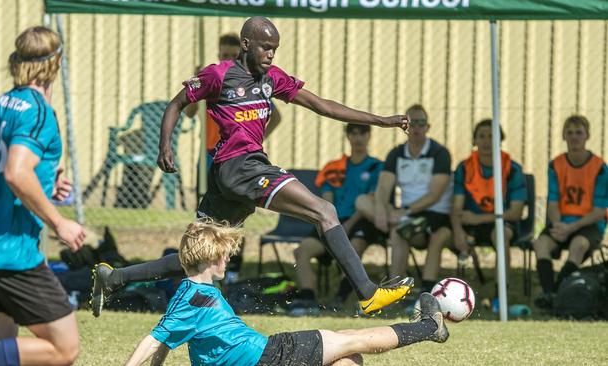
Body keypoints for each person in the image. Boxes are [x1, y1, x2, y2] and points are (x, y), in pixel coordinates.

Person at [91, 16, 413, 317]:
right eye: (265, 48)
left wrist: (382, 121)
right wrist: (165, 145)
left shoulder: (272, 79)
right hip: (241, 168)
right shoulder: (218, 75)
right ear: (246, 45)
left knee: (198, 258)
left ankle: (114, 278)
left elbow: (322, 105)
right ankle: (367, 292)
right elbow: (177, 104)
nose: (271, 55)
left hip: (231, 177)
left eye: (275, 49)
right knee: (324, 211)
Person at [124, 220, 449, 366]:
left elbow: (165, 339)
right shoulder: (193, 298)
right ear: (210, 258)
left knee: (348, 359)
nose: (227, 259)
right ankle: (429, 327)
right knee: (353, 341)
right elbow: (154, 339)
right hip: (272, 356)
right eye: (223, 254)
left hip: (268, 355)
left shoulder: (189, 291)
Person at [0, 26, 85, 366]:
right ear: (55, 63)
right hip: (12, 252)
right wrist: (60, 222)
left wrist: (46, 179)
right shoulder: (39, 112)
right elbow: (15, 173)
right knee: (65, 348)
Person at [184, 32, 282, 283]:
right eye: (223, 54)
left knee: (237, 211)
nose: (227, 58)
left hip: (236, 154)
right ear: (218, 54)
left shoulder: (250, 83)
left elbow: (276, 115)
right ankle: (204, 262)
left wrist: (255, 137)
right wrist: (196, 84)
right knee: (207, 215)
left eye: (231, 54)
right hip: (211, 152)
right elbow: (189, 112)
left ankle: (232, 264)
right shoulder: (214, 79)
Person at [356, 104, 452, 296]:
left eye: (421, 123)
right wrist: (382, 213)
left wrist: (405, 212)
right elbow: (383, 187)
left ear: (428, 127)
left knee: (399, 231)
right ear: (405, 127)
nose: (416, 127)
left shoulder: (439, 153)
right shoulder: (397, 153)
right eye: (412, 122)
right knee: (362, 201)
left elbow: (434, 195)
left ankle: (399, 290)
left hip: (432, 213)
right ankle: (396, 292)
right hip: (402, 214)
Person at [291, 123, 384, 315]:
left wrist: (347, 225)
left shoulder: (377, 167)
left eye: (362, 133)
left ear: (369, 136)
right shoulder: (334, 168)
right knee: (301, 251)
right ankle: (308, 300)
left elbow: (373, 200)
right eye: (354, 133)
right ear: (348, 136)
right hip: (333, 221)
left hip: (361, 220)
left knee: (354, 247)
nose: (358, 138)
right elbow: (325, 203)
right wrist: (334, 225)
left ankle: (339, 299)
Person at [534, 115, 608, 309]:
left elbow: (600, 211)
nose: (574, 137)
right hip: (561, 222)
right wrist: (558, 225)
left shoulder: (600, 168)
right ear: (563, 136)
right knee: (541, 244)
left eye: (579, 133)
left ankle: (557, 295)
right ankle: (549, 293)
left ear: (587, 136)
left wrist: (572, 227)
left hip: (588, 224)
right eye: (570, 132)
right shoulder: (556, 165)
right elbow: (552, 202)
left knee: (578, 244)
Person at [450, 119, 526, 306]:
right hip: (471, 224)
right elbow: (456, 207)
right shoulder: (465, 167)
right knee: (443, 235)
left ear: (500, 139)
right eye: (481, 136)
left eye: (492, 136)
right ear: (474, 140)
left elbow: (515, 213)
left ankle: (501, 293)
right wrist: (458, 231)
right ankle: (443, 295)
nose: (486, 141)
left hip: (501, 222)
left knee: (501, 235)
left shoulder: (512, 169)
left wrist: (479, 218)